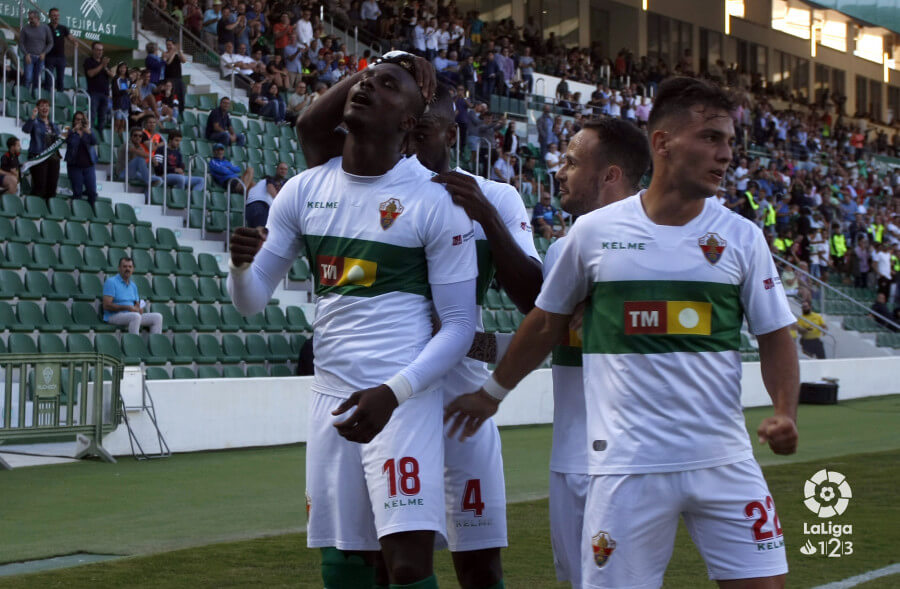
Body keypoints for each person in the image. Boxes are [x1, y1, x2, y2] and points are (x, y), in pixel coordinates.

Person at [446, 77, 800, 589]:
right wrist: (491, 392)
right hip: (623, 467)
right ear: (662, 143)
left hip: (724, 459)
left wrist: (785, 411)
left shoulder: (742, 237)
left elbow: (775, 336)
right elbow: (544, 322)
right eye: (710, 138)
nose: (725, 154)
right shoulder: (590, 236)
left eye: (728, 141)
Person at [233, 53, 474, 589]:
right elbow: (250, 301)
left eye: (388, 85)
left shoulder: (436, 201)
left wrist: (393, 391)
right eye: (365, 79)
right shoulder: (303, 189)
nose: (367, 88)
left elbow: (459, 325)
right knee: (342, 565)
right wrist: (239, 267)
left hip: (401, 398)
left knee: (408, 565)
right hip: (330, 398)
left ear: (410, 121)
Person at [303, 77, 542, 588]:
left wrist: (487, 217)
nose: (412, 143)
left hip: (460, 396)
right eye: (410, 131)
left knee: (478, 558)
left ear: (449, 134)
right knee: (393, 558)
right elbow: (310, 127)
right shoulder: (365, 189)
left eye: (426, 131)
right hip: (392, 389)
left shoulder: (496, 195)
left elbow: (533, 298)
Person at [533, 118, 651, 589]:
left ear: (610, 175)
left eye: (571, 162)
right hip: (568, 457)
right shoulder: (561, 250)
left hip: (627, 462)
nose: (559, 172)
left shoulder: (656, 246)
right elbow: (543, 338)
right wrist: (467, 344)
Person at [102, 257, 163, 334]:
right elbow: (106, 305)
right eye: (124, 266)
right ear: (119, 268)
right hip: (114, 316)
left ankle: (155, 344)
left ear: (133, 269)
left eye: (130, 267)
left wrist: (139, 308)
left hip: (130, 314)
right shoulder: (111, 282)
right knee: (135, 316)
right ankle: (135, 344)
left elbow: (137, 304)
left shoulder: (133, 285)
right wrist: (127, 307)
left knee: (157, 317)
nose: (127, 269)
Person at [22, 99, 61, 201]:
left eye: (47, 106)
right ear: (37, 108)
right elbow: (26, 130)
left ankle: (48, 211)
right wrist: (32, 117)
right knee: (40, 186)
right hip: (39, 156)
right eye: (42, 106)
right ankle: (35, 207)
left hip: (54, 158)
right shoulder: (35, 122)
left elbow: (59, 139)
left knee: (52, 187)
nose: (45, 108)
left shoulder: (54, 125)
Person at [65, 111, 99, 207]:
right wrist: (74, 131)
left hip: (89, 166)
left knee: (92, 192)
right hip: (75, 166)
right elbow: (66, 140)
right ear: (73, 120)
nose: (79, 121)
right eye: (77, 119)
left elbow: (95, 141)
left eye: (81, 119)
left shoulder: (88, 130)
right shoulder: (68, 129)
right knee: (77, 192)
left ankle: (91, 212)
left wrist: (88, 131)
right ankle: (77, 212)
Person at [244, 161, 288, 227]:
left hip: (250, 207)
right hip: (259, 207)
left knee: (255, 234)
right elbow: (270, 188)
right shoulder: (270, 179)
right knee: (261, 233)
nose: (283, 171)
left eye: (285, 169)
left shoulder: (261, 184)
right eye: (281, 169)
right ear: (277, 169)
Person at [20, 10, 52, 98]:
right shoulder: (25, 28)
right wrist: (26, 54)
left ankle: (35, 98)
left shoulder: (45, 28)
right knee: (28, 77)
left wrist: (44, 53)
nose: (30, 20)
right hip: (29, 57)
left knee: (37, 80)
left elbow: (50, 43)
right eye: (29, 18)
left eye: (32, 18)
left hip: (40, 58)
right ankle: (24, 97)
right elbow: (21, 43)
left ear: (37, 18)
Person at [83, 42, 114, 130]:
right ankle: (89, 133)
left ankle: (99, 137)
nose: (100, 52)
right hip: (94, 93)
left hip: (105, 93)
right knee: (92, 116)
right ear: (93, 50)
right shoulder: (88, 61)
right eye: (97, 50)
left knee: (102, 118)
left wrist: (106, 69)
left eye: (101, 50)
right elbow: (90, 74)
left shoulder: (105, 63)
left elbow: (112, 75)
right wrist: (102, 65)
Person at [45, 7, 70, 92]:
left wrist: (75, 42)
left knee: (60, 80)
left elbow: (70, 37)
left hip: (61, 57)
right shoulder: (46, 27)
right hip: (49, 57)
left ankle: (60, 98)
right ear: (49, 17)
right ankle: (46, 98)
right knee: (48, 79)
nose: (56, 17)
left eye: (57, 15)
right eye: (54, 15)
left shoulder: (63, 28)